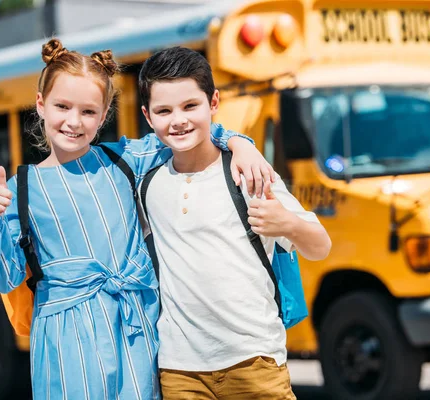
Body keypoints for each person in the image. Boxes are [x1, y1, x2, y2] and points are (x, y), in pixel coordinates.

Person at [0, 39, 272, 399]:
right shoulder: (18, 191)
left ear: (104, 113)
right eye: (62, 107)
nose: (73, 121)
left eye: (88, 111)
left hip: (134, 326)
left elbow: (185, 134)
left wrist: (241, 143)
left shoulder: (124, 159)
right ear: (40, 105)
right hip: (65, 336)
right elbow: (2, 276)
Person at [138, 46, 332, 399]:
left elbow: (321, 246)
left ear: (213, 103)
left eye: (190, 106)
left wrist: (286, 223)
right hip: (179, 369)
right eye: (163, 111)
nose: (178, 120)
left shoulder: (249, 173)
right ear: (148, 117)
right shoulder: (147, 187)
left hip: (254, 361)